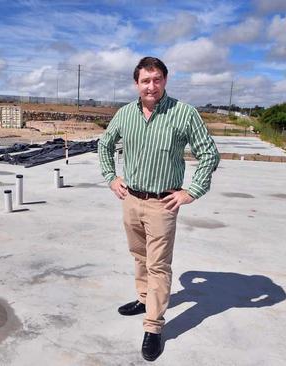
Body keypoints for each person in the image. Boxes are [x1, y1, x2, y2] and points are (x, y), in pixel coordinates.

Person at [98, 56, 220, 361]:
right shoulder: (125, 114)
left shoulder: (184, 114)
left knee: (158, 265)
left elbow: (209, 154)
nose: (151, 86)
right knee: (138, 256)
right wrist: (112, 178)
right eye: (145, 81)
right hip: (131, 200)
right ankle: (144, 298)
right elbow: (104, 144)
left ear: (165, 80)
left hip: (162, 204)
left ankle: (153, 325)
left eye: (156, 80)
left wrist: (192, 191)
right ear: (136, 83)